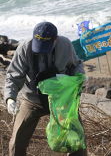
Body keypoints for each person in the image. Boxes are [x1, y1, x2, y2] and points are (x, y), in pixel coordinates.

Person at [4, 22, 87, 156]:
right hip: (33, 99)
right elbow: (14, 75)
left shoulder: (65, 44)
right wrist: (10, 98)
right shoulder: (24, 48)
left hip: (61, 99)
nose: (42, 50)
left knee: (77, 140)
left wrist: (80, 78)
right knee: (16, 141)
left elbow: (76, 65)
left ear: (56, 39)